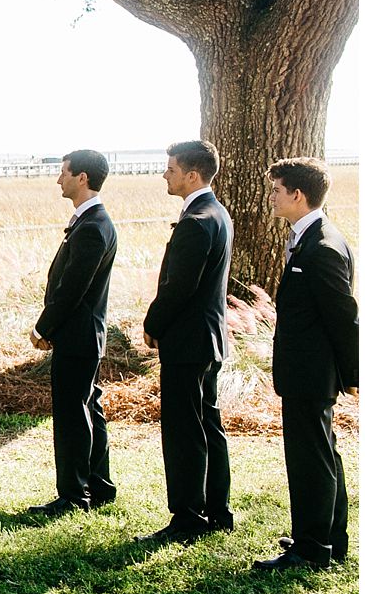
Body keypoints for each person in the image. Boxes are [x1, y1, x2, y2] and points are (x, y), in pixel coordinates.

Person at [254, 157, 357, 571]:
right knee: (322, 453)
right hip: (304, 369)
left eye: (277, 190)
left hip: (311, 372)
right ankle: (327, 537)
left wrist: (354, 375)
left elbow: (343, 316)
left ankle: (311, 549)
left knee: (309, 457)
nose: (272, 198)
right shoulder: (310, 237)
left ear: (298, 195)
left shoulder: (323, 246)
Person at [139, 140, 234, 545]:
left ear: (192, 175)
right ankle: (217, 508)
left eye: (171, 168)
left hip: (188, 341)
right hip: (208, 338)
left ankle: (188, 516)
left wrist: (152, 322)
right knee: (208, 424)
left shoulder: (197, 220)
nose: (165, 174)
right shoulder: (217, 212)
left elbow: (180, 286)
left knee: (183, 430)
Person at [28, 149, 119, 516]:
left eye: (64, 172)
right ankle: (99, 485)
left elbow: (72, 289)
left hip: (78, 335)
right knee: (88, 408)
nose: (58, 179)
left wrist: (43, 327)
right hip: (84, 334)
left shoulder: (94, 227)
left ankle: (73, 495)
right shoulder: (89, 222)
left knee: (71, 415)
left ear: (83, 178)